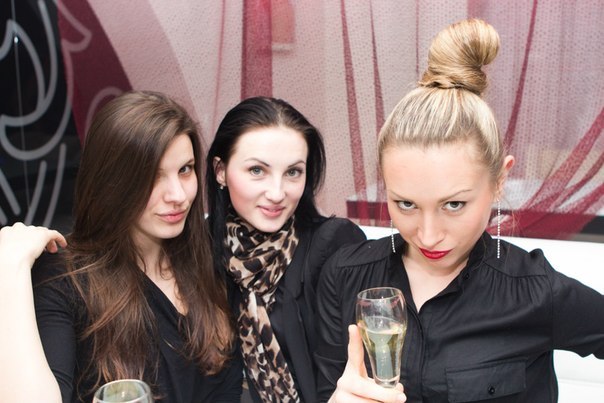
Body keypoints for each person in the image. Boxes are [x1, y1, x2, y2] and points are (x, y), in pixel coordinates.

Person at [315, 18, 604, 402]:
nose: (428, 235)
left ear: (499, 180)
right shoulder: (344, 277)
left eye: (454, 204)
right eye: (406, 204)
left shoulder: (536, 291)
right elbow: (325, 389)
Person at [0, 91, 242, 402]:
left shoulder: (207, 256)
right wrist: (10, 267)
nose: (178, 195)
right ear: (113, 182)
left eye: (185, 169)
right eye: (153, 176)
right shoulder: (65, 280)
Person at [205, 96, 366, 402]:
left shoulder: (334, 246)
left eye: (293, 172)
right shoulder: (198, 250)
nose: (277, 193)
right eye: (257, 170)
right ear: (220, 171)